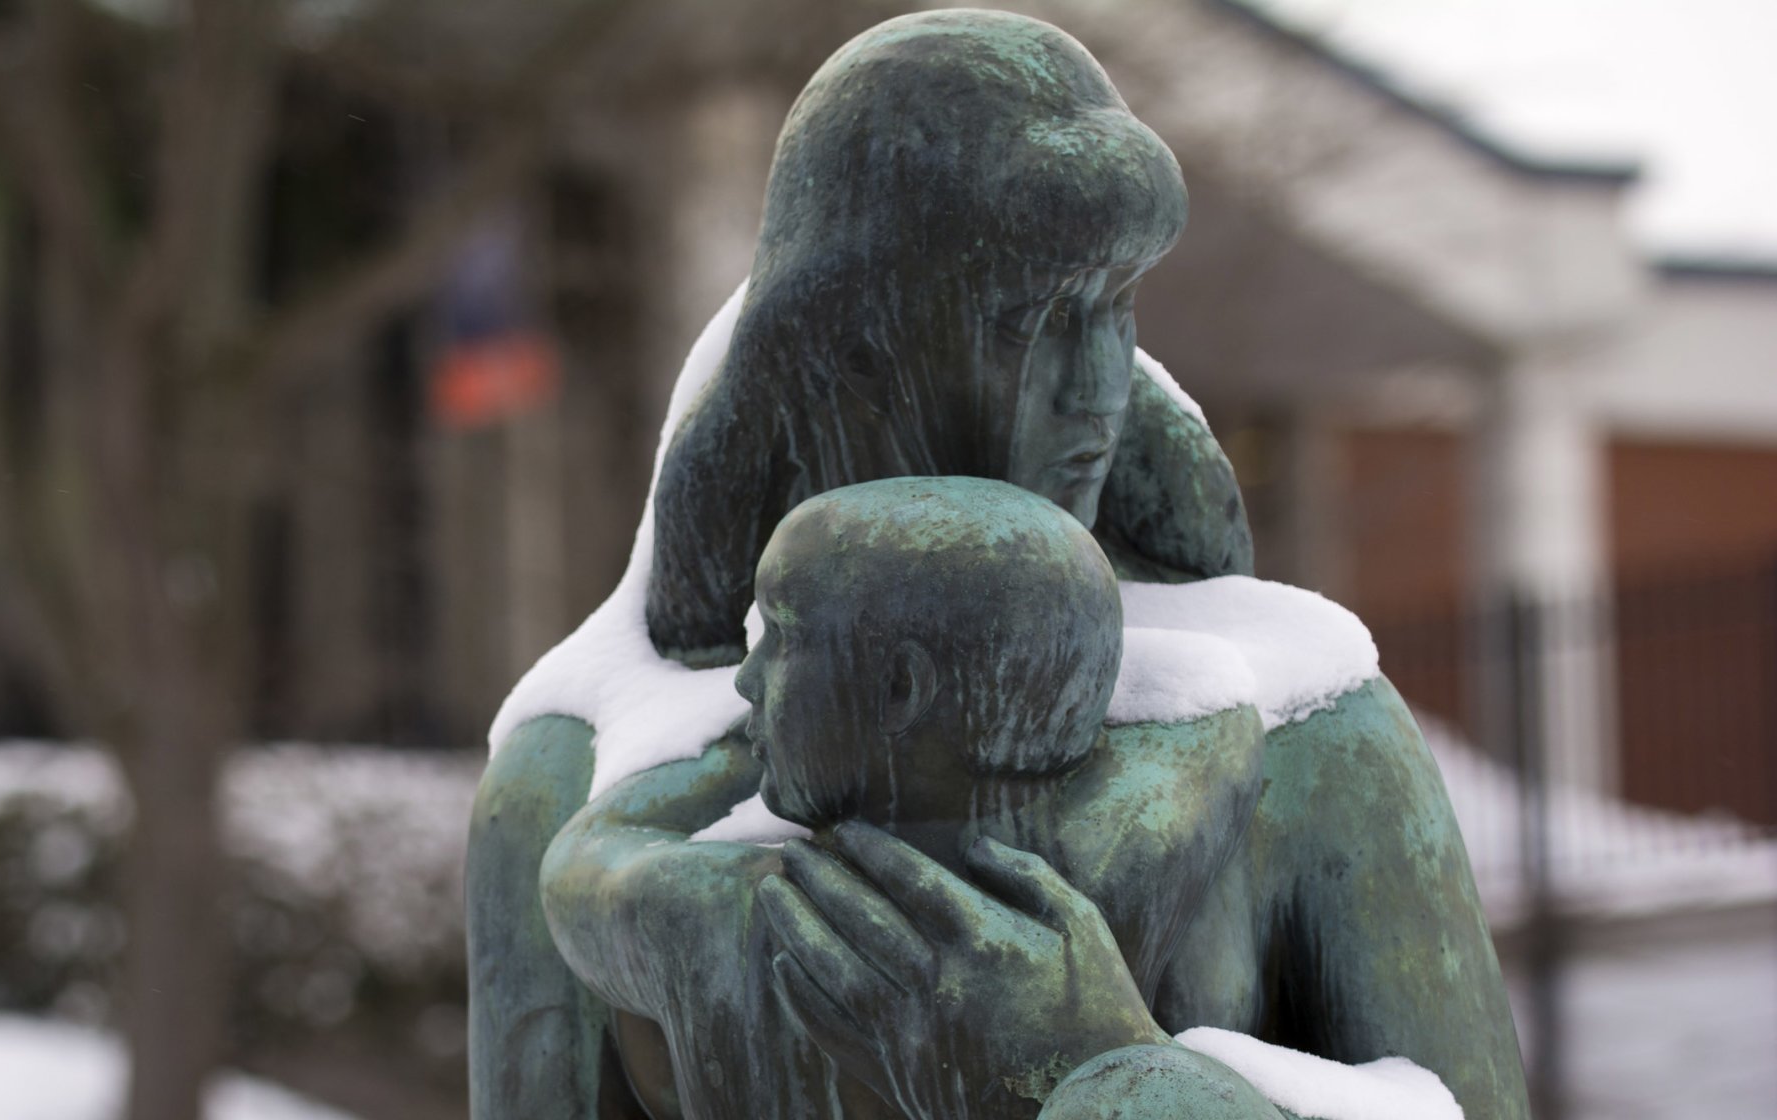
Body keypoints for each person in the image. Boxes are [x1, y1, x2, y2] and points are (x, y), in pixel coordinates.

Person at [469, 10, 1523, 1120]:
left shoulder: (1311, 732)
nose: (1095, 385)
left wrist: (1101, 1069)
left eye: (1114, 309)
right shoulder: (569, 780)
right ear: (850, 343)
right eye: (1033, 317)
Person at [543, 476, 1280, 1117]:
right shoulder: (1125, 877)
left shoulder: (733, 914)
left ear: (900, 689)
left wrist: (740, 752)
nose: (745, 678)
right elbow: (1217, 727)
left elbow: (583, 861)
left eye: (779, 638)